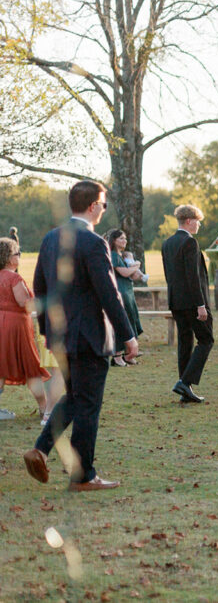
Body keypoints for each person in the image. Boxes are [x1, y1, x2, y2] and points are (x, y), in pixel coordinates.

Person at [24, 180, 138, 491]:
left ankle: (40, 449)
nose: (103, 208)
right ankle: (83, 476)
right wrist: (128, 336)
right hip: (89, 337)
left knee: (74, 397)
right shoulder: (92, 242)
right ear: (91, 206)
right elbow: (108, 294)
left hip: (61, 337)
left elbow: (41, 291)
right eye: (102, 203)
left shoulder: (50, 239)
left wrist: (48, 333)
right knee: (88, 406)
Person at [162, 204, 213, 403]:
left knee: (185, 342)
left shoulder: (167, 243)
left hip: (176, 301)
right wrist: (200, 304)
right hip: (193, 302)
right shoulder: (189, 243)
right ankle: (185, 382)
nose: (199, 225)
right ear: (190, 221)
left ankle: (186, 388)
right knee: (206, 339)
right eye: (198, 221)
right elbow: (193, 276)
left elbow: (169, 276)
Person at [0, 237, 50, 418]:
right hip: (16, 326)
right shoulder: (14, 278)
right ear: (8, 258)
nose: (19, 256)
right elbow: (25, 303)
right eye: (16, 253)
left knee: (1, 365)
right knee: (31, 366)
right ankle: (45, 407)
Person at [106, 229, 144, 366]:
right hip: (121, 293)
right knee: (122, 322)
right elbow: (125, 273)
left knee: (130, 320)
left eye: (125, 238)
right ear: (114, 241)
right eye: (121, 238)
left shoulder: (123, 256)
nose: (125, 241)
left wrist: (133, 263)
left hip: (128, 292)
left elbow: (134, 275)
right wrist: (137, 265)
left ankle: (128, 354)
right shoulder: (114, 256)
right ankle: (117, 356)